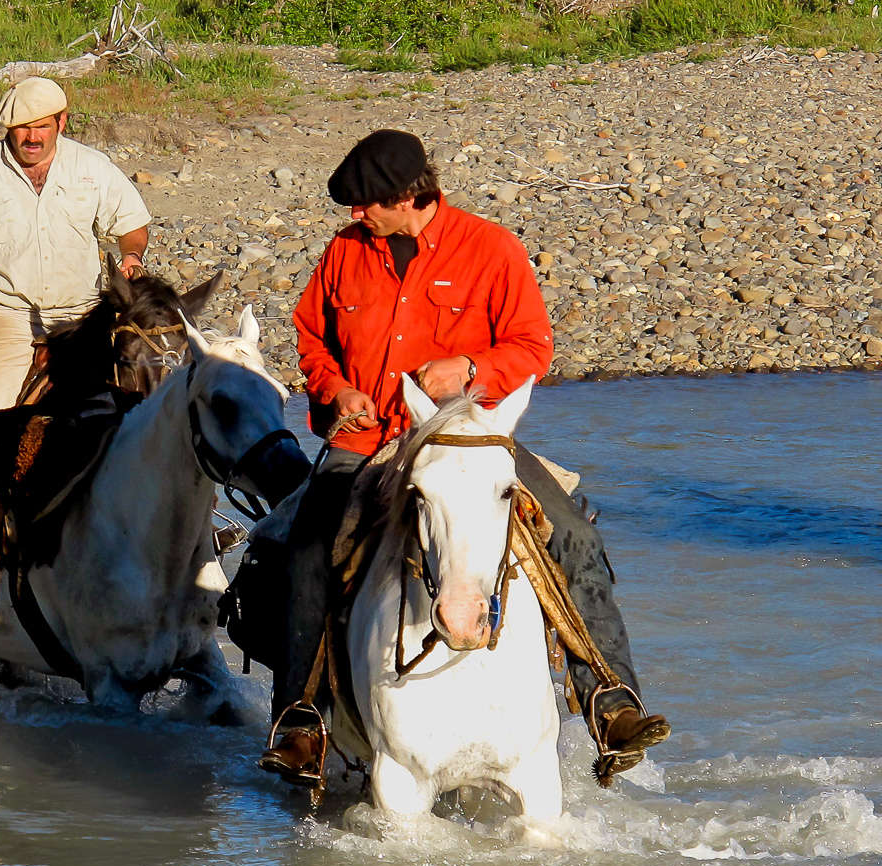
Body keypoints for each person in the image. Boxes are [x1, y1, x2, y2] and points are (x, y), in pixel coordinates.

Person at [257, 129, 670, 787]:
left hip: (467, 440)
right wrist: (333, 389)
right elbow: (312, 334)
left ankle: (608, 699)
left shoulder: (490, 250)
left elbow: (533, 345)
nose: (356, 216)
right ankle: (300, 720)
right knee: (307, 547)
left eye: (366, 203)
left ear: (405, 195)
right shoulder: (344, 254)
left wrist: (472, 366)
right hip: (369, 441)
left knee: (572, 535)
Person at [0, 76, 152, 418]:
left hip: (84, 312)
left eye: (41, 126)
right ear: (8, 129)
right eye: (22, 128)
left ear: (61, 121)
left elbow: (131, 224)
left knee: (130, 403)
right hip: (6, 310)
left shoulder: (92, 167)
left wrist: (132, 255)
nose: (32, 137)